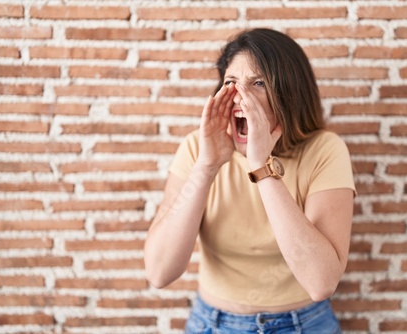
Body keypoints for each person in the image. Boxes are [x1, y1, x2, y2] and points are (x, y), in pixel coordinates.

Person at [144, 28, 356, 333]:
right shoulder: (197, 148)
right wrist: (206, 167)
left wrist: (261, 165)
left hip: (305, 324)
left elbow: (321, 282)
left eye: (258, 83)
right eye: (230, 82)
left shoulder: (325, 150)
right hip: (212, 323)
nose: (239, 95)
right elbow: (159, 272)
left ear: (289, 92)